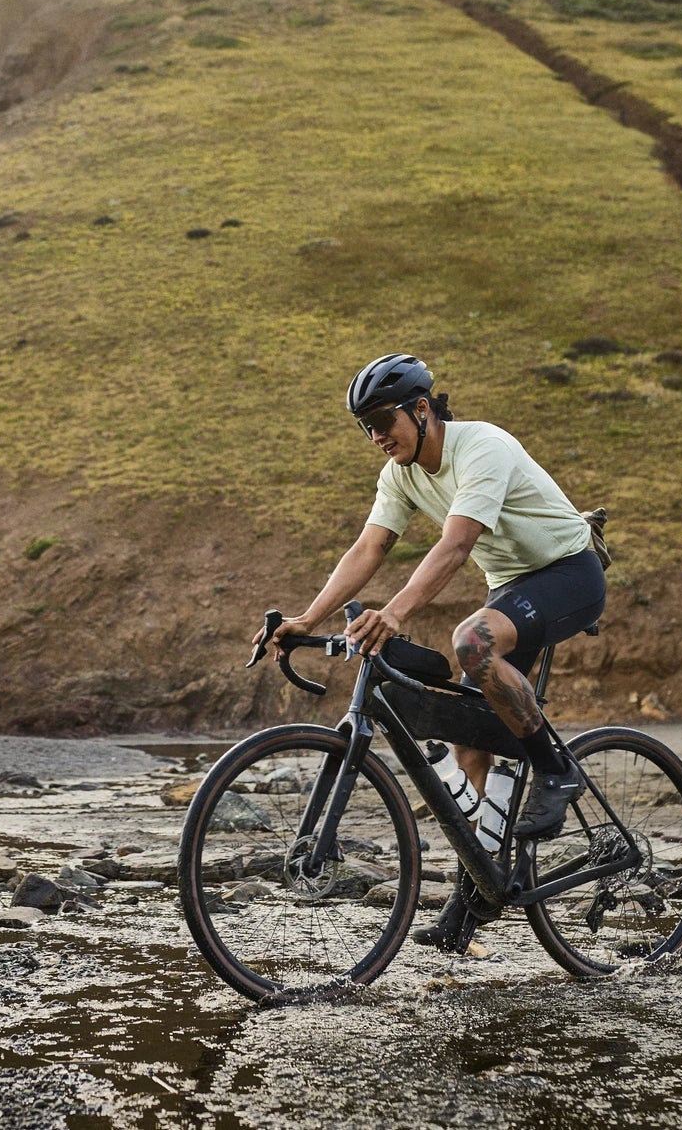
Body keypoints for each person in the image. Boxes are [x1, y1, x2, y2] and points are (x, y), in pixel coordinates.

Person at [257, 352, 607, 950]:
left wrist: (393, 614)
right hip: (515, 588)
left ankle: (556, 772)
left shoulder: (482, 447)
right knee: (471, 742)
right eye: (363, 427)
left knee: (471, 639)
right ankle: (472, 908)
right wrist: (307, 617)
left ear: (421, 410)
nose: (374, 437)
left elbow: (456, 543)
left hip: (569, 574)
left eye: (382, 421)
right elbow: (369, 548)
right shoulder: (401, 474)